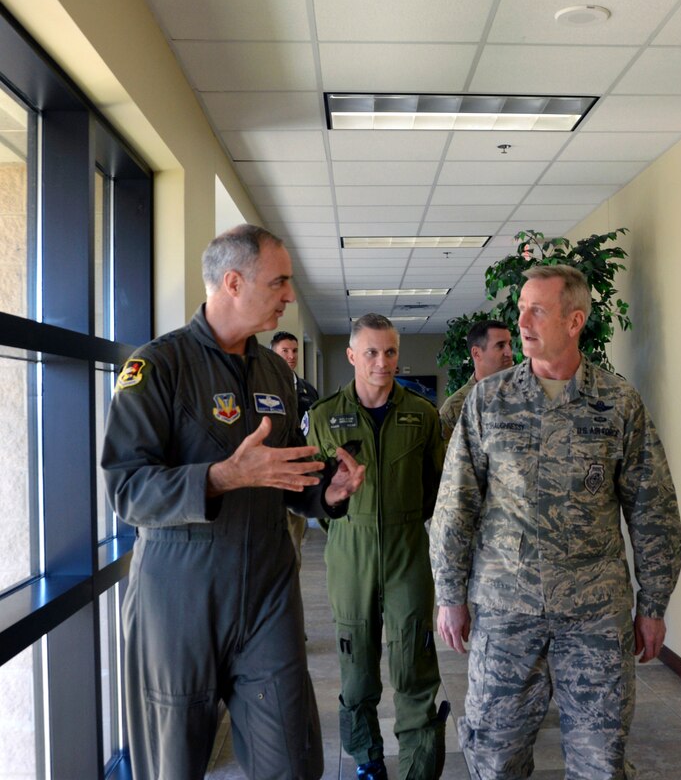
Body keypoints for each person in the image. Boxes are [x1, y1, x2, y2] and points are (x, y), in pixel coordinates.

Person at [101, 224, 365, 780]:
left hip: (267, 590)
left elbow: (287, 470)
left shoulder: (275, 371)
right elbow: (126, 488)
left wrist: (327, 491)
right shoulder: (156, 367)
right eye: (279, 283)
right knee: (172, 765)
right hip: (179, 598)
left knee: (292, 762)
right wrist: (221, 477)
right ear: (233, 282)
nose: (289, 296)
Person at [431, 265, 681, 780]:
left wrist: (653, 602)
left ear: (574, 321)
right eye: (521, 308)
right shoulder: (487, 401)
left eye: (537, 310)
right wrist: (449, 593)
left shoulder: (617, 404)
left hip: (594, 615)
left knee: (601, 760)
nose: (522, 321)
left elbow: (652, 509)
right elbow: (455, 505)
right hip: (505, 612)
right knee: (493, 757)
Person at [304, 313, 447, 780]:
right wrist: (344, 517)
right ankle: (367, 760)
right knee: (358, 671)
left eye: (389, 352)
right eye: (371, 352)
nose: (382, 362)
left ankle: (417, 770)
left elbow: (436, 491)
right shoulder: (324, 417)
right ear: (351, 356)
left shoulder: (422, 415)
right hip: (350, 555)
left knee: (414, 669)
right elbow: (310, 496)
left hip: (408, 551)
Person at [271, 330, 321, 570]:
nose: (291, 356)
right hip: (270, 475)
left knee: (294, 541)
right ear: (273, 353)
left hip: (299, 473)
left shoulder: (307, 391)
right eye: (285, 351)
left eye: (294, 351)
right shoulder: (262, 387)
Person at [438, 320, 513, 440]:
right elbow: (445, 456)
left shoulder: (528, 393)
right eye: (500, 346)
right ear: (476, 353)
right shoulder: (455, 408)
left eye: (510, 344)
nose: (509, 352)